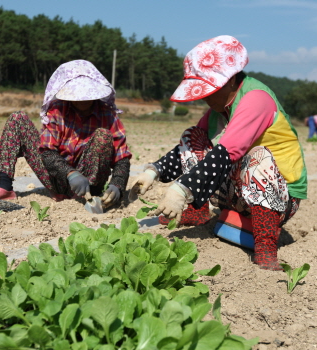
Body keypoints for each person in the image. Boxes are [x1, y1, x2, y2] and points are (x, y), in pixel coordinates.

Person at [129, 35, 307, 271]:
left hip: (280, 196)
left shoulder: (256, 99)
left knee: (258, 157)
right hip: (241, 189)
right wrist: (155, 171)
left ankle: (265, 247)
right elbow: (191, 147)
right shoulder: (219, 110)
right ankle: (197, 213)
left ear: (232, 80)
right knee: (194, 136)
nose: (204, 97)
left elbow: (228, 152)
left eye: (209, 89)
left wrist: (181, 189)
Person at [0, 60, 131, 208]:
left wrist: (117, 184)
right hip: (58, 178)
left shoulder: (108, 115)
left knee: (103, 136)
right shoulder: (58, 110)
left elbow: (122, 158)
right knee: (17, 119)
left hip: (89, 186)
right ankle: (5, 186)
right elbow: (47, 152)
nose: (82, 100)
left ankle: (84, 198)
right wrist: (70, 174)